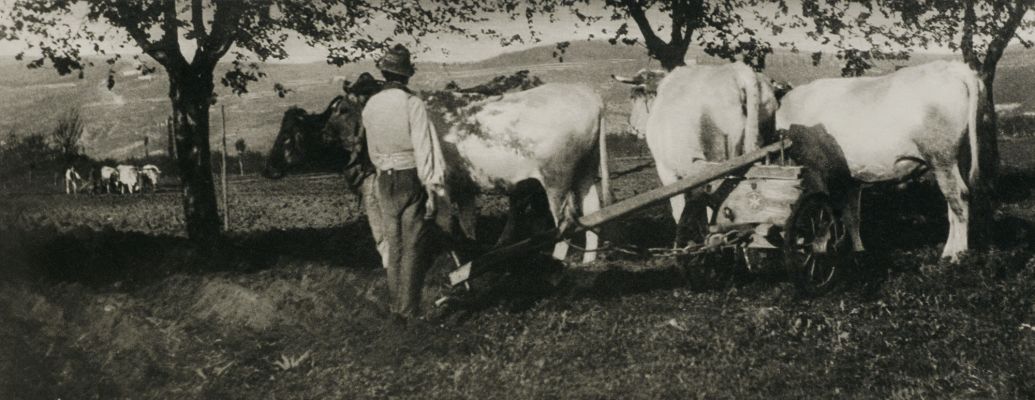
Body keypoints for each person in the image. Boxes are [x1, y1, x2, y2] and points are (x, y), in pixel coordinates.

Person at [361, 44, 447, 319]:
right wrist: (432, 187)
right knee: (413, 246)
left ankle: (395, 309)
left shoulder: (371, 105)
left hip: (384, 179)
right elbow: (424, 148)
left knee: (393, 245)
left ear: (384, 73)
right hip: (411, 178)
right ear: (406, 75)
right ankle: (409, 311)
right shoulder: (412, 104)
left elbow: (372, 149)